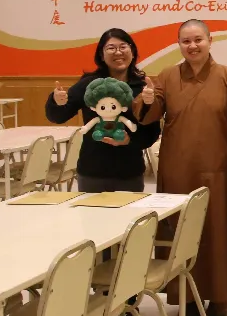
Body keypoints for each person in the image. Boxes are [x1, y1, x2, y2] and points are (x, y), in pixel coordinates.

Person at [133, 19, 227, 316]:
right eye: (186, 41)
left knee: (217, 230)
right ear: (179, 44)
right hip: (178, 168)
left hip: (219, 166)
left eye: (198, 40)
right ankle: (185, 295)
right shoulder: (167, 76)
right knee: (180, 231)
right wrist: (146, 100)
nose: (192, 46)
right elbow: (149, 112)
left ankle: (219, 294)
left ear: (210, 41)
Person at [46, 28, 161, 193]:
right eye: (111, 48)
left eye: (123, 47)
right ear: (101, 54)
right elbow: (58, 116)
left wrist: (129, 140)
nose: (118, 52)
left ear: (132, 51)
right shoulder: (90, 85)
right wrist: (56, 101)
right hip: (93, 171)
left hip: (129, 172)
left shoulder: (142, 88)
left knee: (129, 210)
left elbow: (152, 132)